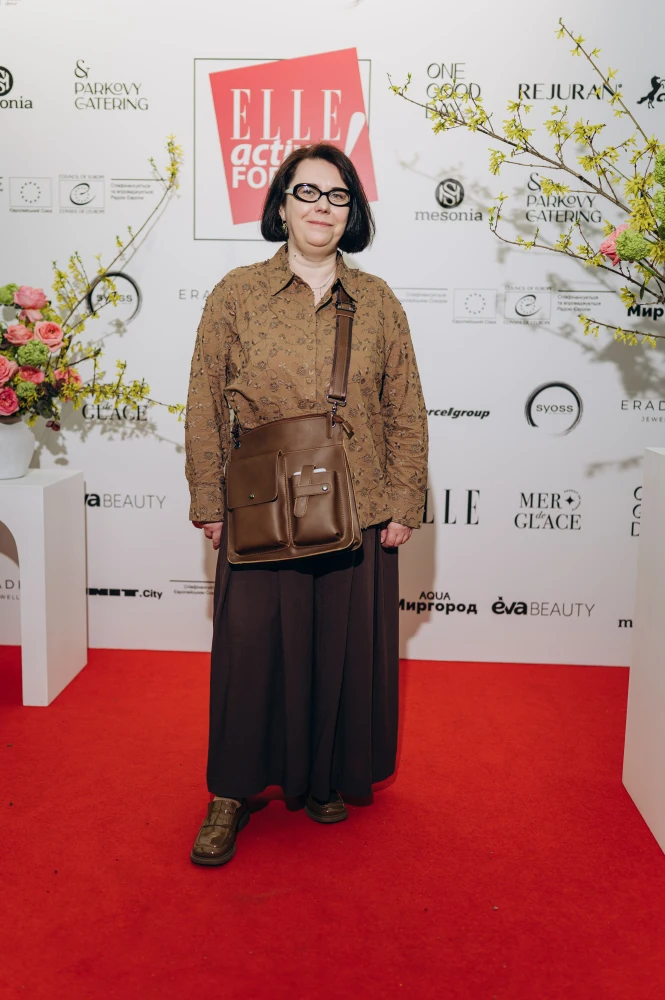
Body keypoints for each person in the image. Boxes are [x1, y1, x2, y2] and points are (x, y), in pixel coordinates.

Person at [185, 141, 428, 867]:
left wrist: (404, 502)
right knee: (249, 654)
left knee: (339, 651)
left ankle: (325, 776)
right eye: (308, 192)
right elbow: (204, 402)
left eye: (338, 195)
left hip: (359, 504)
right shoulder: (235, 293)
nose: (323, 207)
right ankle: (230, 793)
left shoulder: (377, 300)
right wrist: (208, 497)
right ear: (282, 206)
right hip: (260, 506)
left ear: (353, 212)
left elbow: (405, 407)